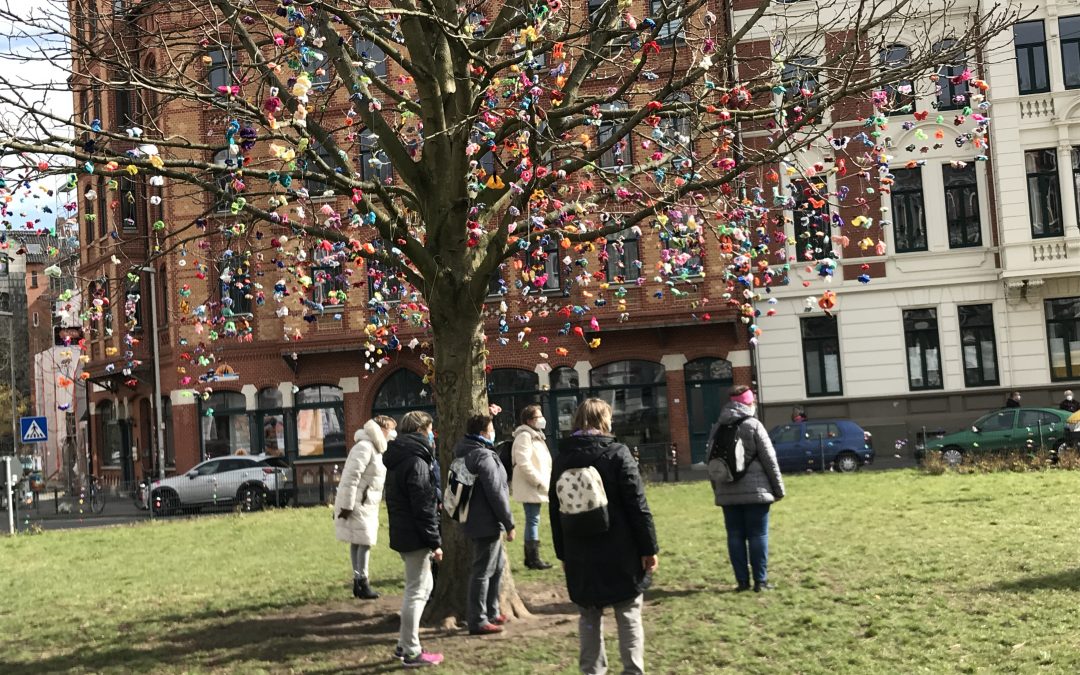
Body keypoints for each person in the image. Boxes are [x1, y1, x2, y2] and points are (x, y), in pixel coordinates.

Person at [550, 398, 658, 675]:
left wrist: (562, 553)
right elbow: (638, 505)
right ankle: (633, 670)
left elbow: (554, 510)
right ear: (604, 421)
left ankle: (592, 670)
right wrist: (649, 548)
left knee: (588, 615)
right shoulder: (618, 453)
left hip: (579, 550)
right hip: (621, 548)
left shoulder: (562, 458)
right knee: (628, 613)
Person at [710, 386, 785, 593]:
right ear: (748, 403)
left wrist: (717, 489)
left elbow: (712, 461)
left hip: (727, 491)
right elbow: (770, 460)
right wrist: (778, 489)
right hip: (757, 492)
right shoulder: (754, 425)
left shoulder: (718, 427)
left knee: (734, 536)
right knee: (758, 535)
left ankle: (742, 582)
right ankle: (760, 582)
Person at [383, 411, 444, 668]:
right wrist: (434, 541)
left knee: (422, 587)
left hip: (404, 531)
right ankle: (411, 650)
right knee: (417, 591)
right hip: (415, 536)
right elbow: (423, 506)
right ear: (421, 431)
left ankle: (403, 643)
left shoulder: (400, 459)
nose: (432, 435)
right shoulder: (417, 462)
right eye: (430, 430)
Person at [454, 414, 516, 635]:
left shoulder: (466, 451)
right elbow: (496, 492)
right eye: (491, 428)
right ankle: (478, 619)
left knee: (496, 567)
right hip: (486, 521)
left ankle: (492, 610)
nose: (493, 431)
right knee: (482, 570)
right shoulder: (484, 456)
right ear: (483, 433)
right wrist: (509, 522)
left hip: (474, 518)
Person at [334, 415, 396, 600]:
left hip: (365, 502)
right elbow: (351, 477)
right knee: (365, 541)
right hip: (360, 503)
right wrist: (347, 505)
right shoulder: (365, 447)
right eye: (390, 429)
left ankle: (358, 582)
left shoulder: (373, 448)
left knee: (359, 540)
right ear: (382, 429)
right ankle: (362, 581)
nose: (392, 433)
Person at [511, 404, 553, 570]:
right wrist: (537, 481)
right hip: (531, 485)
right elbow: (523, 462)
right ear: (529, 420)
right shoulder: (525, 437)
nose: (542, 419)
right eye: (538, 417)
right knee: (532, 519)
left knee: (533, 519)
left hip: (535, 485)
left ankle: (531, 558)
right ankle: (533, 559)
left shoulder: (535, 435)